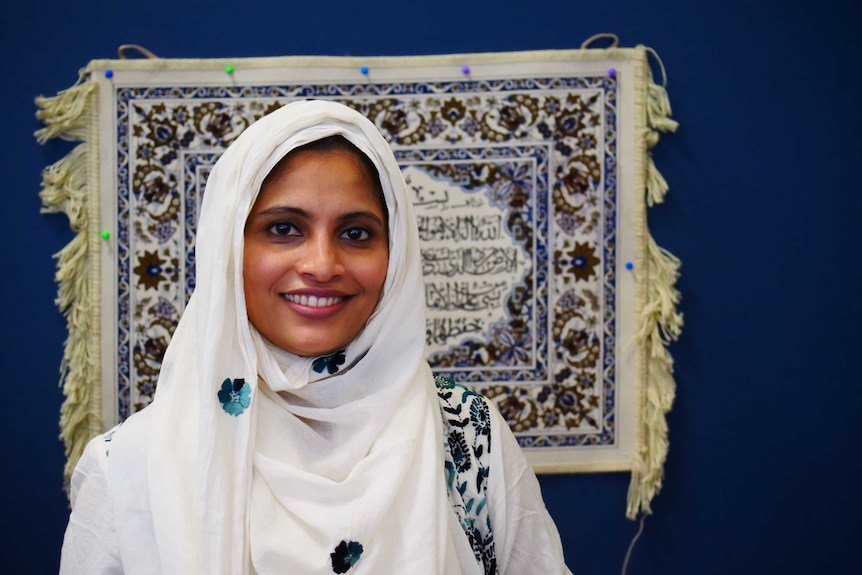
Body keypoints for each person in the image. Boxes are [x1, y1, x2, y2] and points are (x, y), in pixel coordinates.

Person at [59, 100, 571, 574]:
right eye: (283, 229)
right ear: (227, 248)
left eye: (356, 234)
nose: (322, 265)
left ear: (396, 257)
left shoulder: (469, 438)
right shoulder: (130, 468)